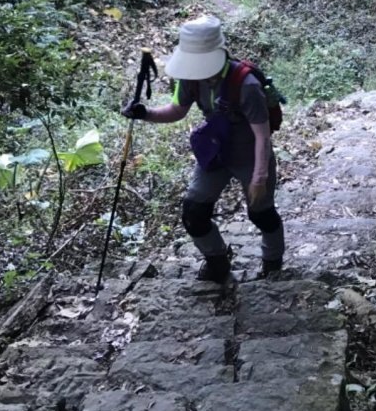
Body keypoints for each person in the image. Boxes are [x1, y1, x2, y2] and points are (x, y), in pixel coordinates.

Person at [121, 14, 284, 283]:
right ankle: (217, 262)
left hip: (250, 154)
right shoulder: (190, 78)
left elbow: (262, 136)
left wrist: (259, 178)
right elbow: (176, 111)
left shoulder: (247, 85)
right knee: (194, 212)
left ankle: (273, 265)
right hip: (216, 152)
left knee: (261, 214)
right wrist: (145, 113)